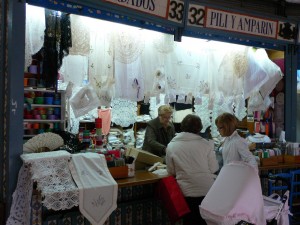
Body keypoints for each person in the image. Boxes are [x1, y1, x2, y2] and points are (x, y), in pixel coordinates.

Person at [166, 114, 219, 225]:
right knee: (206, 221)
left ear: (182, 126)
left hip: (186, 192)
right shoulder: (206, 145)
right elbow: (214, 168)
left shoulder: (171, 146)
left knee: (189, 221)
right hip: (207, 190)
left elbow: (171, 171)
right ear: (199, 128)